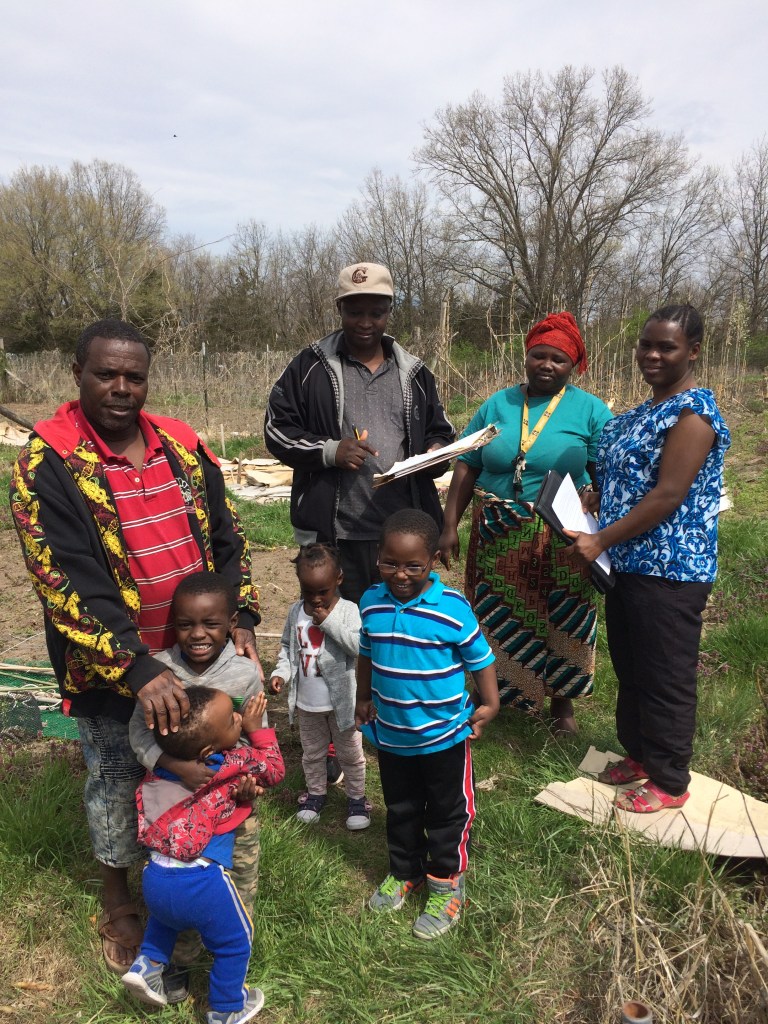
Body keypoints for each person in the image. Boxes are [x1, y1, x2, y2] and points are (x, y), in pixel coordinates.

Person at [9, 318, 262, 973]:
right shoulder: (48, 461)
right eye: (106, 374)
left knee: (193, 763)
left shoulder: (182, 444)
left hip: (197, 649)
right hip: (112, 664)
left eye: (134, 376)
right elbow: (63, 577)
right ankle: (119, 893)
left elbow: (228, 533)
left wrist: (242, 614)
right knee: (118, 773)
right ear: (77, 375)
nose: (121, 388)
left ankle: (192, 869)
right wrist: (135, 663)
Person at [565, 304, 730, 812]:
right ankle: (640, 756)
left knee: (665, 676)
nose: (652, 355)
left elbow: (668, 494)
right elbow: (628, 477)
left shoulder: (693, 414)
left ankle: (670, 781)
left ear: (693, 351)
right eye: (646, 345)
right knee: (633, 669)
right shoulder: (642, 411)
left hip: (671, 570)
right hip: (629, 565)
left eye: (667, 347)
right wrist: (600, 496)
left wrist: (600, 540)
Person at [438, 312, 612, 735]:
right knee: (495, 614)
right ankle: (490, 695)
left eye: (558, 359)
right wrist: (449, 525)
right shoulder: (497, 404)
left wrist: (599, 500)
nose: (547, 365)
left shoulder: (590, 410)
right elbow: (467, 464)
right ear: (526, 356)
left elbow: (607, 471)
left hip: (562, 532)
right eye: (539, 355)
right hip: (498, 530)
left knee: (565, 614)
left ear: (573, 366)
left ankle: (561, 703)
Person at [264, 262, 455, 604]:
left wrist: (435, 452)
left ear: (389, 311)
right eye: (354, 312)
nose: (365, 322)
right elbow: (277, 429)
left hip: (401, 538)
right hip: (334, 535)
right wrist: (330, 451)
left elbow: (438, 430)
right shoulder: (310, 367)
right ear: (339, 308)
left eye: (376, 313)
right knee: (339, 626)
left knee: (398, 626)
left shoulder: (414, 373)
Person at [356, 509, 499, 940]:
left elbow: (481, 659)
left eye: (413, 566)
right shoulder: (370, 602)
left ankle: (445, 883)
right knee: (400, 808)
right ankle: (405, 871)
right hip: (392, 735)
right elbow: (366, 654)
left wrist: (490, 703)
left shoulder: (452, 609)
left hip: (444, 737)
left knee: (447, 812)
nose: (400, 574)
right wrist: (362, 697)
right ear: (377, 556)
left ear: (433, 560)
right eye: (389, 563)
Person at [123, 686, 284, 1024]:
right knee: (235, 943)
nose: (238, 717)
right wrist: (256, 730)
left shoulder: (162, 769)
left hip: (155, 876)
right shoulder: (228, 762)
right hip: (203, 881)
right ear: (209, 750)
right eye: (232, 720)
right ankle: (227, 1008)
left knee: (166, 922)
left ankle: (147, 965)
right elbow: (274, 770)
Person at [129, 572, 267, 944]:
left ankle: (234, 946)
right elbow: (138, 732)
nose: (197, 634)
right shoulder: (160, 672)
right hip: (175, 805)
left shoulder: (244, 674)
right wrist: (175, 766)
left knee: (239, 876)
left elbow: (255, 734)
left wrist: (249, 782)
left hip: (233, 804)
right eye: (186, 624)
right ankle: (180, 956)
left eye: (210, 623)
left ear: (232, 623)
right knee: (179, 877)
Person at [269, 543, 370, 830]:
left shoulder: (348, 610)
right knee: (312, 753)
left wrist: (329, 622)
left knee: (350, 755)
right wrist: (281, 674)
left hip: (342, 705)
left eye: (322, 591)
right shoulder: (295, 612)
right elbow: (288, 648)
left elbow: (358, 646)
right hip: (307, 704)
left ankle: (357, 798)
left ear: (339, 579)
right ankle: (315, 794)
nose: (315, 599)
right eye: (307, 591)